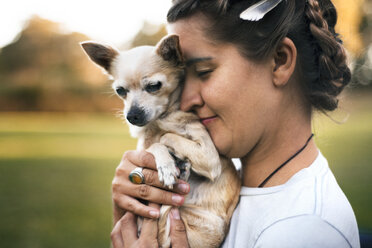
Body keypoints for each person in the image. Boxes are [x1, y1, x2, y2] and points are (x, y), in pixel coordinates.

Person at [110, 0, 360, 247]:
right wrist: (132, 212)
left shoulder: (301, 230)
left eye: (204, 71)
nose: (184, 100)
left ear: (280, 60)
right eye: (182, 78)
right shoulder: (229, 168)